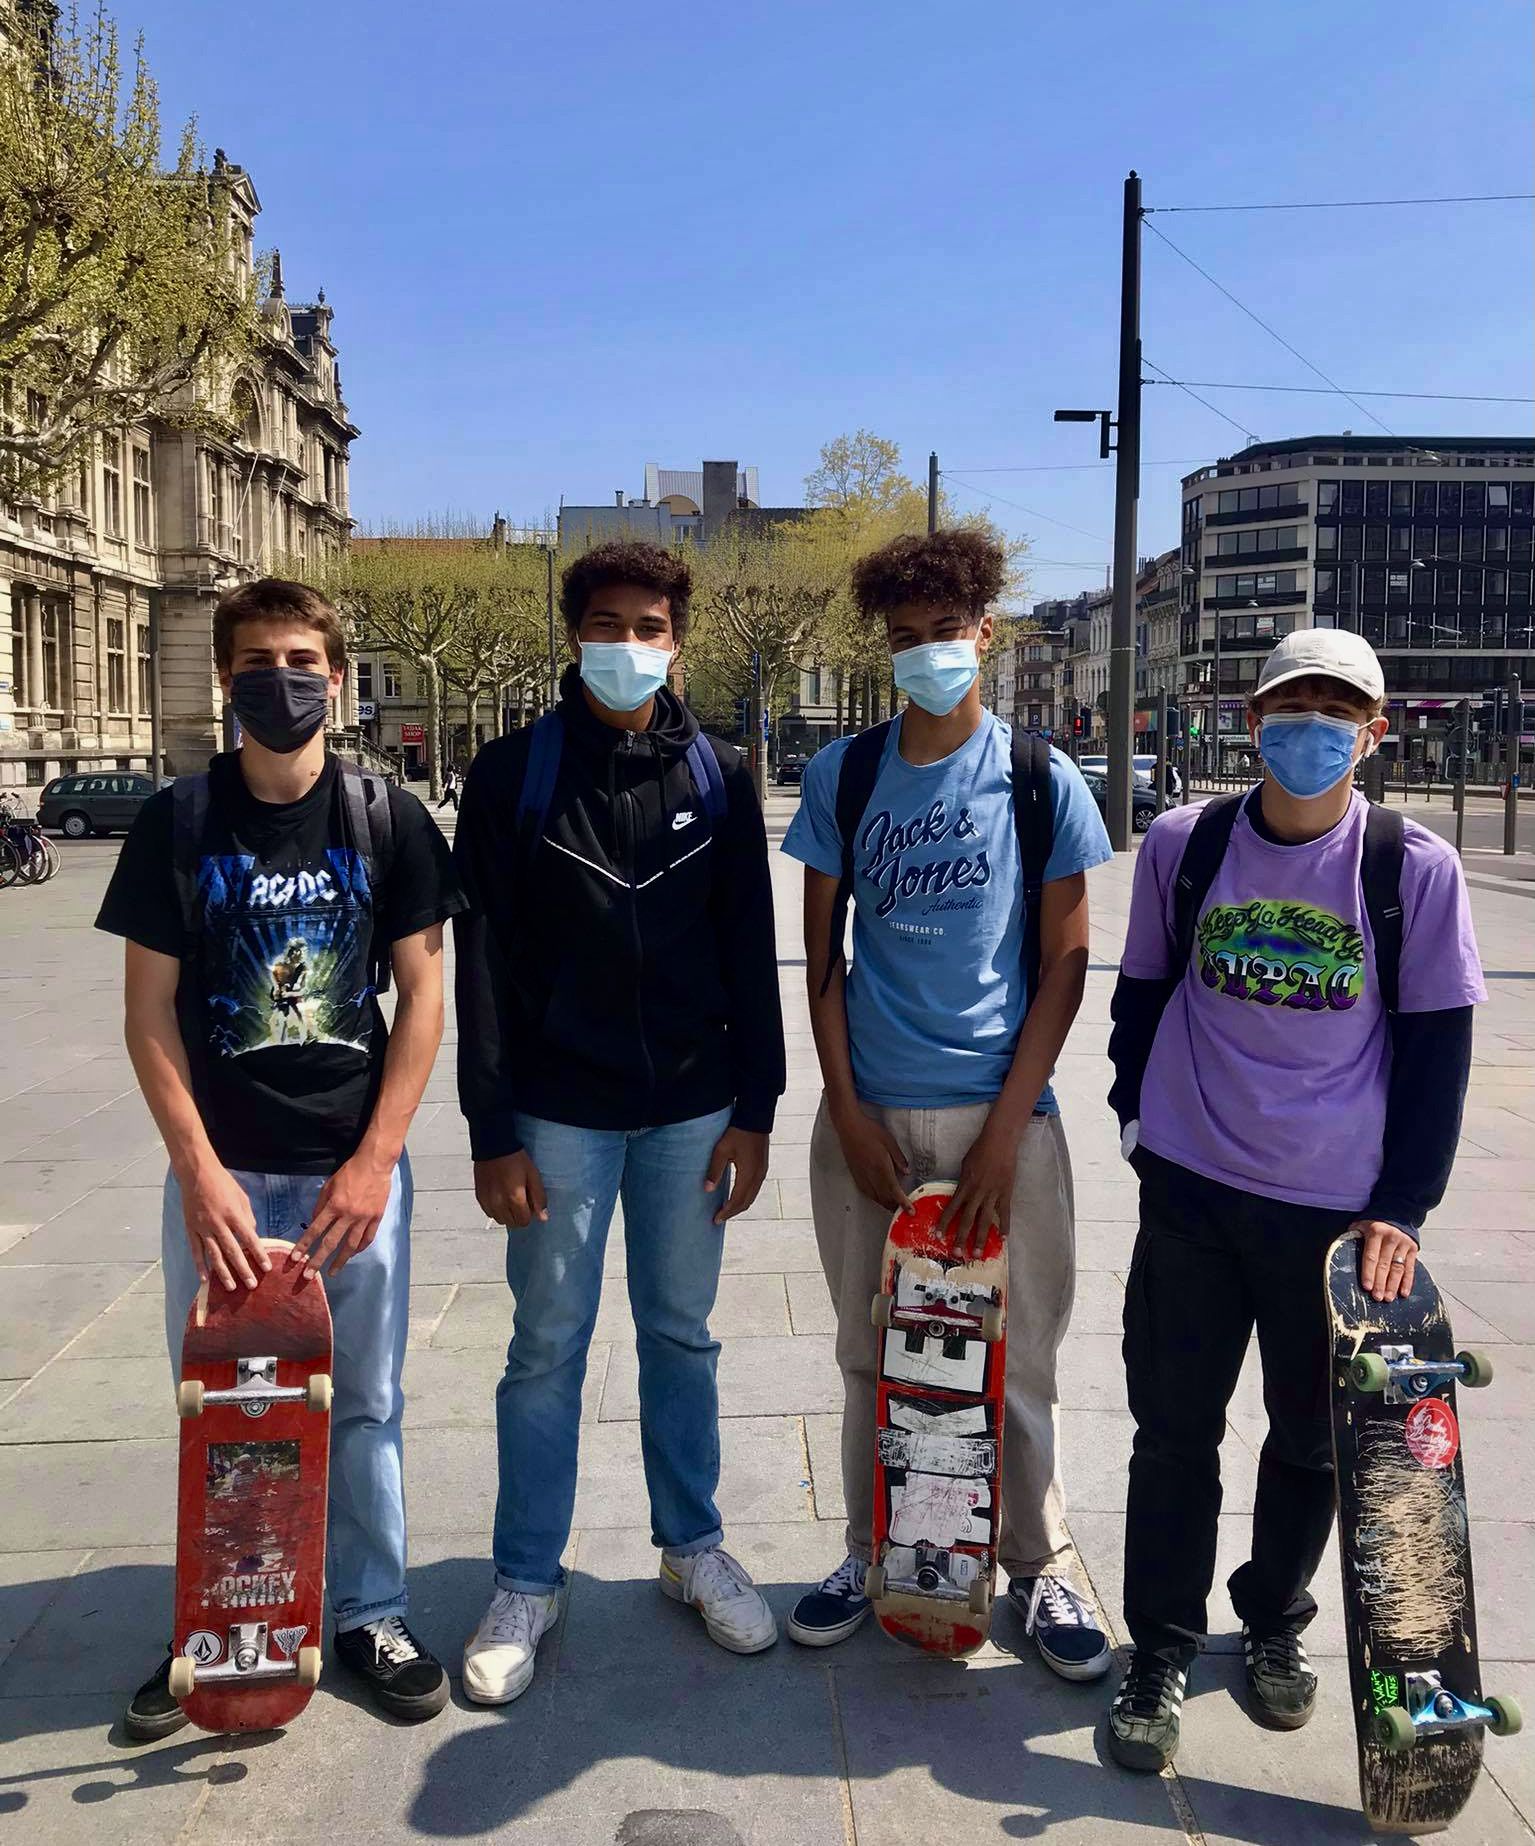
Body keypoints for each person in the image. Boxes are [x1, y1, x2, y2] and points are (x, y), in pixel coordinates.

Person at [1104, 628, 1485, 1771]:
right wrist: (1136, 1124)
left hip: (1330, 1216)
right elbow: (1138, 995)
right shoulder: (1185, 843)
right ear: (1250, 719)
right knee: (1171, 1432)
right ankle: (1159, 1648)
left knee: (1314, 1440)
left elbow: (1435, 1050)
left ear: (1372, 733)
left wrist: (1400, 1209)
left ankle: (1274, 1621)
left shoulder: (1409, 868)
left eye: (1335, 711)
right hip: (1189, 1191)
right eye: (1288, 708)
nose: (1307, 730)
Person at [97, 578, 466, 1738]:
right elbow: (148, 1010)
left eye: (303, 657)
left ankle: (368, 1609)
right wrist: (198, 1170)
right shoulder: (178, 819)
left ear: (339, 677)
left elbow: (422, 995)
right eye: (256, 659)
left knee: (360, 1401)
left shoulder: (385, 816)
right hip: (226, 1171)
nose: (282, 678)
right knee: (224, 1400)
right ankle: (220, 1616)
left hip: (351, 1170)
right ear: (224, 678)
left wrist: (378, 1158)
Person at [453, 537, 786, 1705]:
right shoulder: (509, 778)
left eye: (649, 627)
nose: (629, 645)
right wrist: (490, 1127)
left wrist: (758, 1104)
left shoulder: (719, 774)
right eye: (607, 623)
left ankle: (689, 1545)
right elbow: (479, 966)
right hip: (557, 1111)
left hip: (693, 1107)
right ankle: (526, 1578)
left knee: (681, 1331)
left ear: (677, 639)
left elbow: (752, 945)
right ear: (573, 633)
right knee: (545, 1343)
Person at [780, 529, 1115, 1678]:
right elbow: (819, 956)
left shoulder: (1039, 777)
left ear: (987, 635)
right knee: (869, 1352)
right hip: (868, 1113)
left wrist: (1005, 1138)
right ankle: (867, 1548)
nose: (929, 654)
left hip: (999, 1118)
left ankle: (1035, 1562)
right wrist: (847, 1107)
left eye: (947, 633)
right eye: (906, 639)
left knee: (1012, 1358)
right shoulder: (846, 775)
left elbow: (1066, 965)